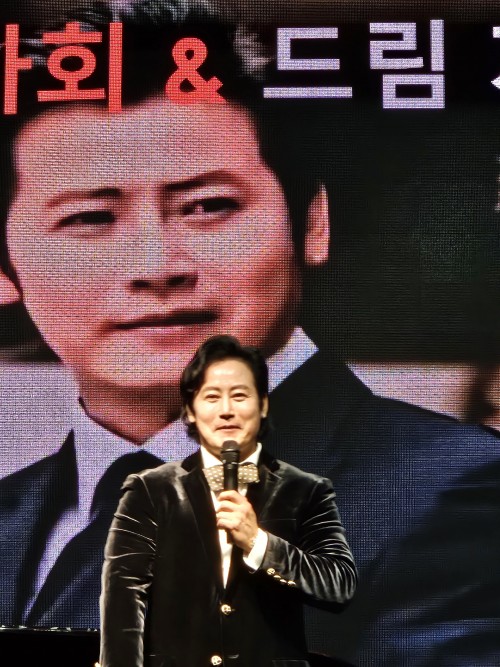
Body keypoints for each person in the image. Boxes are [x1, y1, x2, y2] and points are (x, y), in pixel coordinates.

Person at [0, 1, 498, 665]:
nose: (156, 267)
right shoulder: (10, 514)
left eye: (209, 206)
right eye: (89, 218)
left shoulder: (446, 487)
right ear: (5, 268)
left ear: (312, 223)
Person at [99, 334, 357, 667]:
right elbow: (123, 593)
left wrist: (259, 543)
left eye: (239, 395)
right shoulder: (151, 489)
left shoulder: (307, 489)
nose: (226, 411)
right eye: (211, 397)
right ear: (190, 410)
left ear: (263, 405)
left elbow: (338, 585)